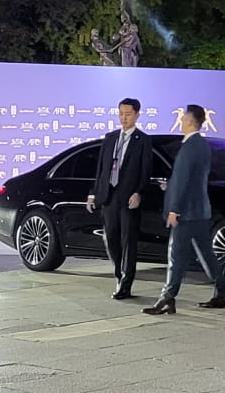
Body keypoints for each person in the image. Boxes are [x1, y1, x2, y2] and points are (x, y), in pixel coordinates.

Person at [145, 104, 225, 314]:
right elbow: (191, 179)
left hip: (186, 212)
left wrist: (174, 208)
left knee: (176, 255)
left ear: (190, 121)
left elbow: (183, 180)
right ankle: (220, 291)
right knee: (206, 253)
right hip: (200, 210)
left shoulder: (189, 147)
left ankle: (167, 297)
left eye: (183, 118)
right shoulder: (202, 145)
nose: (180, 122)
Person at [89, 97, 152, 300]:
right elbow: (101, 169)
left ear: (137, 115)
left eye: (128, 114)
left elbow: (145, 171)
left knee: (128, 241)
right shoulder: (110, 138)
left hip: (128, 197)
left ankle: (126, 283)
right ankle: (119, 274)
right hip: (109, 196)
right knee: (112, 239)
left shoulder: (143, 140)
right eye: (121, 114)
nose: (124, 118)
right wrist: (93, 193)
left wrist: (139, 192)